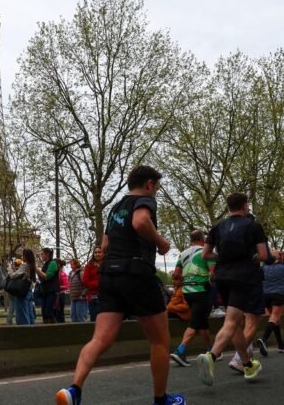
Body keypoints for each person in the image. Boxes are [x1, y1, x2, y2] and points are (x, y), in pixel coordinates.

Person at [56, 165, 184, 405]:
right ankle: (161, 400)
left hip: (109, 276)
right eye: (156, 186)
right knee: (160, 341)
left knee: (100, 339)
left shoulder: (115, 208)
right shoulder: (144, 201)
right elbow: (140, 222)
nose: (156, 191)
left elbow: (104, 247)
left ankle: (74, 389)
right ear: (149, 184)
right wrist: (161, 242)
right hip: (136, 274)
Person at [196, 193, 268, 385]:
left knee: (234, 321)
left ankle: (247, 364)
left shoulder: (218, 227)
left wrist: (222, 259)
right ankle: (212, 355)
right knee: (231, 321)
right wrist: (249, 259)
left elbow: (206, 254)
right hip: (243, 277)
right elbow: (263, 254)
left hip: (222, 277)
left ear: (228, 207)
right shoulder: (253, 226)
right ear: (245, 206)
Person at [170, 230, 215, 367]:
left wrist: (188, 277)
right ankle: (180, 351)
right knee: (195, 322)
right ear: (203, 238)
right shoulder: (206, 252)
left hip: (187, 292)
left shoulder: (183, 254)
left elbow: (176, 274)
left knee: (201, 322)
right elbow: (214, 273)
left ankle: (212, 351)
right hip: (202, 290)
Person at [256, 250, 284, 354]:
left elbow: (258, 281)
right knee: (275, 317)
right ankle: (263, 340)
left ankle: (281, 345)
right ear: (279, 257)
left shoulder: (263, 267)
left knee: (276, 320)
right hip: (279, 294)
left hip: (266, 295)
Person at [9, 249, 37, 325]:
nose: (21, 256)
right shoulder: (32, 265)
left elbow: (13, 276)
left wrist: (10, 269)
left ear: (26, 256)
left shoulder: (25, 264)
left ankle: (25, 333)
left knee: (22, 315)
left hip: (23, 292)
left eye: (23, 254)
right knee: (30, 314)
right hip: (29, 292)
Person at [37, 248, 60, 324]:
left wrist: (36, 269)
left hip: (51, 291)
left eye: (42, 254)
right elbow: (41, 278)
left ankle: (53, 328)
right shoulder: (45, 264)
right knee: (44, 312)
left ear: (47, 254)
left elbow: (47, 276)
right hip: (44, 291)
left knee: (48, 311)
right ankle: (46, 328)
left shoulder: (53, 263)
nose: (41, 256)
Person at [82, 247, 103, 322]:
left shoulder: (107, 264)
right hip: (93, 297)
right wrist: (98, 283)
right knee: (94, 320)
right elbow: (85, 281)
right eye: (95, 252)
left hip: (106, 297)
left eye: (99, 252)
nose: (97, 254)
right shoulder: (89, 266)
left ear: (103, 253)